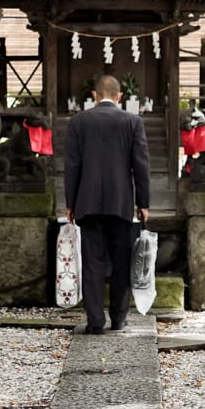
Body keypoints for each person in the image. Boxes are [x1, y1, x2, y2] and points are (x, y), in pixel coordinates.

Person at [65, 74, 150, 334]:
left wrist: (71, 203)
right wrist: (143, 203)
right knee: (121, 261)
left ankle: (95, 321)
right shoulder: (133, 122)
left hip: (87, 203)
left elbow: (72, 166)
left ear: (94, 95)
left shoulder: (78, 122)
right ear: (119, 96)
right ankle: (119, 318)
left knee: (92, 263)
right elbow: (141, 166)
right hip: (120, 203)